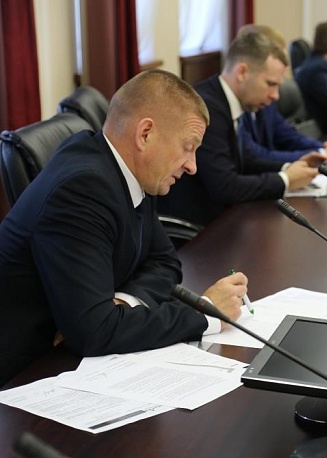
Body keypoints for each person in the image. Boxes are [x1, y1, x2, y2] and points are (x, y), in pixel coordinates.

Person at [0, 70, 249, 386]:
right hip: (25, 375)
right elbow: (95, 332)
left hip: (68, 358)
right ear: (145, 134)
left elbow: (165, 262)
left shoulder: (132, 170)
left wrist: (123, 303)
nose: (192, 165)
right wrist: (205, 314)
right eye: (188, 147)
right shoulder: (82, 188)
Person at [158, 27, 319, 226]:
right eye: (270, 84)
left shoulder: (229, 102)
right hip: (203, 230)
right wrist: (285, 179)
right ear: (242, 72)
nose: (276, 95)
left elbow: (247, 158)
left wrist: (290, 167)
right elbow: (224, 186)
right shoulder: (206, 108)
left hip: (228, 219)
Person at [235, 25, 327, 168]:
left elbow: (289, 137)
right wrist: (324, 156)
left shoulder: (266, 100)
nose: (276, 95)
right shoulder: (234, 105)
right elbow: (254, 156)